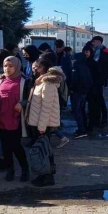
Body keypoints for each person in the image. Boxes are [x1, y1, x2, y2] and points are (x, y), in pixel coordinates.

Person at [25, 57, 64, 187]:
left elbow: (46, 107)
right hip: (39, 122)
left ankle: (47, 177)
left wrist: (41, 126)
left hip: (43, 124)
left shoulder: (48, 83)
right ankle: (45, 175)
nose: (35, 68)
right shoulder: (41, 81)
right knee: (44, 150)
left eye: (38, 66)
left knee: (44, 151)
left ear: (44, 68)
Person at [0, 56, 30, 182]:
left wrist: (22, 103)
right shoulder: (0, 79)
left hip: (16, 119)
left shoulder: (24, 80)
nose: (7, 68)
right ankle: (10, 170)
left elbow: (30, 97)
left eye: (10, 66)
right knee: (5, 147)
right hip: (1, 118)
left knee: (16, 146)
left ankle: (25, 169)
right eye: (5, 66)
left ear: (17, 66)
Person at [71, 46, 93, 139]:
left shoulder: (76, 67)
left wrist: (72, 88)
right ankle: (82, 128)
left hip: (77, 92)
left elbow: (74, 80)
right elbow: (90, 81)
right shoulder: (86, 67)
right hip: (84, 92)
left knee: (77, 111)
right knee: (80, 110)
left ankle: (81, 130)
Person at [91, 36, 108, 125]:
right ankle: (96, 118)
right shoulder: (93, 50)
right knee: (94, 99)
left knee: (100, 98)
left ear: (99, 42)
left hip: (99, 79)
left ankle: (104, 118)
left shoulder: (105, 52)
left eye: (94, 41)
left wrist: (104, 79)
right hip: (93, 78)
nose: (93, 43)